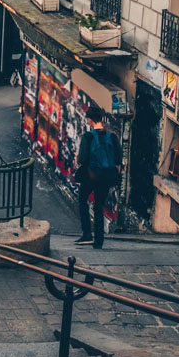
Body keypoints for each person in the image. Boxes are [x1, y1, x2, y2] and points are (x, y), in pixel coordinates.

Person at [75, 105, 122, 250]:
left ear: (90, 120)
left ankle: (87, 233)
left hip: (91, 175)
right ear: (102, 119)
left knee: (83, 199)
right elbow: (119, 158)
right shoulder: (112, 137)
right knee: (99, 207)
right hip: (106, 176)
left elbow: (82, 159)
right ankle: (98, 241)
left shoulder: (88, 137)